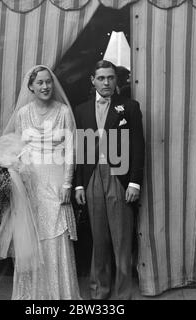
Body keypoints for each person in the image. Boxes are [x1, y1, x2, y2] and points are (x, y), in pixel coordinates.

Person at [0, 65, 80, 300]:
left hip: (55, 182)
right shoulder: (23, 113)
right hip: (30, 183)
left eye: (48, 82)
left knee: (55, 234)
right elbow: (19, 147)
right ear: (31, 87)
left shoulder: (63, 111)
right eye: (40, 83)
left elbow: (71, 150)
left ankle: (60, 295)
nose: (45, 86)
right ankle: (33, 296)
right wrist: (14, 174)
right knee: (32, 235)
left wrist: (67, 184)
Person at [74, 60, 145, 299]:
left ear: (117, 80)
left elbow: (137, 147)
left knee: (122, 240)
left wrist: (134, 183)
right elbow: (82, 148)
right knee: (99, 239)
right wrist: (80, 183)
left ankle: (123, 295)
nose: (106, 82)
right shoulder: (82, 110)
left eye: (110, 77)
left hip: (119, 177)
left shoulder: (130, 107)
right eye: (101, 78)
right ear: (92, 81)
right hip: (93, 175)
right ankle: (99, 293)